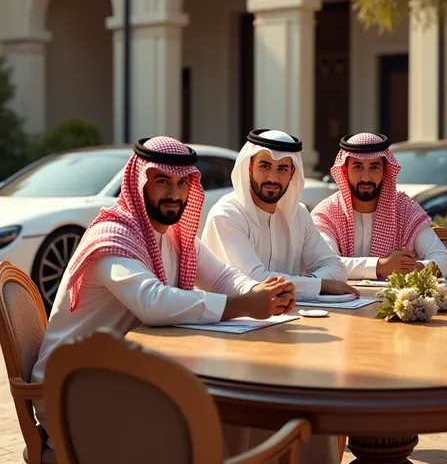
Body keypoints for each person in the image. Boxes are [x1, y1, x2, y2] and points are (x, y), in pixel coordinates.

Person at [31, 136, 295, 426]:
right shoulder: (112, 236)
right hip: (74, 393)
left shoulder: (175, 235)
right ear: (140, 182)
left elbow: (221, 276)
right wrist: (243, 305)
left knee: (246, 407)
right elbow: (152, 303)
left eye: (183, 184)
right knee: (219, 414)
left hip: (124, 377)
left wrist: (260, 292)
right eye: (162, 181)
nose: (174, 193)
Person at [202, 129, 356, 464]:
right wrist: (319, 286)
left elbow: (333, 267)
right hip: (229, 340)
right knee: (275, 394)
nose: (273, 176)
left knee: (316, 385)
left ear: (293, 175)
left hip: (286, 331)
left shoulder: (299, 213)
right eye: (265, 165)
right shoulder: (227, 213)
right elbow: (254, 281)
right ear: (248, 166)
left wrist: (321, 281)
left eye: (283, 169)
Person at [312, 132, 447, 280]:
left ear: (385, 171)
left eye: (374, 167)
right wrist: (382, 265)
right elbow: (326, 264)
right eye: (358, 167)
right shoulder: (328, 212)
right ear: (345, 170)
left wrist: (415, 268)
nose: (366, 177)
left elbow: (444, 260)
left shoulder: (404, 209)